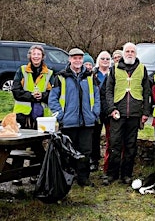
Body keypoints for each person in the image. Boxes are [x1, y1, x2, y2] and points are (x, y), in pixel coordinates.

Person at [48, 48, 101, 187]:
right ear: (69, 59)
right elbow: (53, 99)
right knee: (68, 152)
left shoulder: (90, 76)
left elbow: (96, 96)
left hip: (87, 122)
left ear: (83, 60)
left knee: (85, 151)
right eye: (74, 58)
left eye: (80, 58)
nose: (77, 61)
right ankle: (68, 178)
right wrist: (60, 116)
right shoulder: (60, 76)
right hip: (68, 122)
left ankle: (83, 178)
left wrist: (95, 113)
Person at [104, 42, 151, 185]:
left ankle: (127, 174)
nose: (130, 53)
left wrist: (145, 112)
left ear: (136, 54)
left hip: (135, 114)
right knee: (115, 144)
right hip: (118, 112)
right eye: (127, 51)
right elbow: (109, 91)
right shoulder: (114, 69)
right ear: (123, 53)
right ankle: (112, 174)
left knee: (131, 146)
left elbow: (147, 91)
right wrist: (112, 109)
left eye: (132, 51)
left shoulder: (142, 69)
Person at [11, 44, 54, 185]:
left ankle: (35, 174)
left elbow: (53, 93)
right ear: (30, 56)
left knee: (37, 144)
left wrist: (42, 96)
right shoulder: (22, 70)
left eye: (38, 54)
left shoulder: (49, 73)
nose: (36, 56)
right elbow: (16, 91)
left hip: (40, 115)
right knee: (19, 144)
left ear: (43, 56)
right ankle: (16, 174)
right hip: (23, 114)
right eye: (33, 54)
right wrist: (31, 96)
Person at [89, 51, 112, 172]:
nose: (105, 61)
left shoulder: (113, 73)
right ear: (98, 60)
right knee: (94, 136)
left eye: (108, 59)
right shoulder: (92, 74)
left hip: (109, 109)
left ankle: (108, 162)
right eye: (102, 58)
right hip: (96, 110)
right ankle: (94, 160)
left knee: (110, 137)